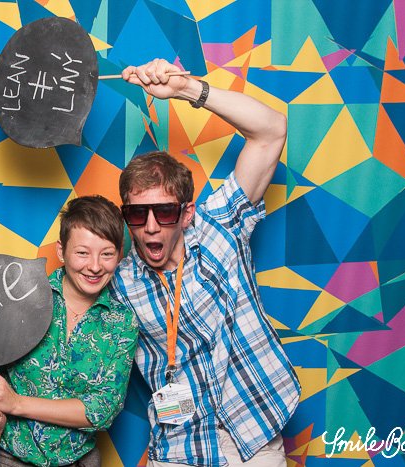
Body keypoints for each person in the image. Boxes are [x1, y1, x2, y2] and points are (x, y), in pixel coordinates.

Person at [110, 59, 301, 466]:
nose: (150, 227)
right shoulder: (119, 281)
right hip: (180, 446)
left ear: (187, 213)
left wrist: (185, 89)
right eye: (137, 215)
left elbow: (272, 130)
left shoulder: (221, 227)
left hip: (254, 434)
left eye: (164, 212)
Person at [0, 195, 139, 467]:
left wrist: (15, 403)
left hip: (78, 461)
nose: (95, 266)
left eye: (107, 254)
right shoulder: (19, 297)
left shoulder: (122, 323)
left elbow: (103, 409)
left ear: (119, 255)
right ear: (61, 251)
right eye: (82, 253)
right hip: (8, 458)